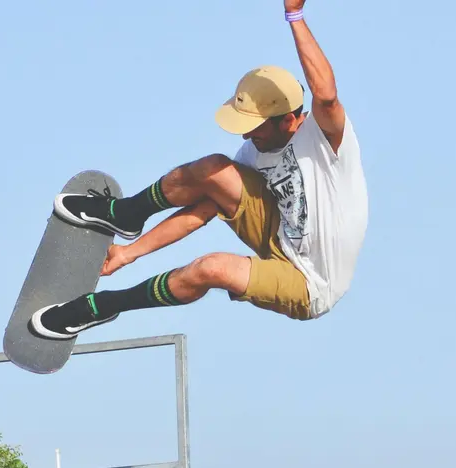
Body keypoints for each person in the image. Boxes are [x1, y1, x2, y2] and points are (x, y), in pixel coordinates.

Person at [30, 0, 369, 340]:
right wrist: (128, 255)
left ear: (289, 120)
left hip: (309, 283)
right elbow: (201, 212)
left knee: (211, 269)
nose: (247, 135)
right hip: (275, 232)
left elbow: (326, 96)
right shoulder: (253, 154)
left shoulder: (326, 140)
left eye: (256, 127)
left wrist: (294, 15)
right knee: (213, 169)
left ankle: (103, 306)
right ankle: (127, 214)